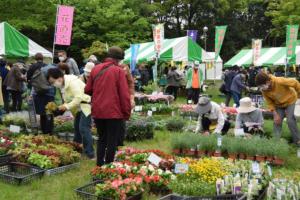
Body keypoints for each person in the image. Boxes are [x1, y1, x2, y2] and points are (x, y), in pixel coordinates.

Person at [85, 46, 131, 166]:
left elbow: (87, 89)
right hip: (114, 112)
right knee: (112, 140)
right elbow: (124, 95)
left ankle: (99, 165)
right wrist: (126, 113)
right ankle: (109, 166)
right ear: (118, 59)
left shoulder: (95, 69)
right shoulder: (119, 71)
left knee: (102, 139)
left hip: (98, 110)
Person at [47, 68, 95, 159]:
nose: (53, 84)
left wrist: (66, 107)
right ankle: (77, 149)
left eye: (53, 81)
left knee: (84, 128)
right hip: (77, 109)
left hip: (85, 106)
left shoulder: (73, 82)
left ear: (59, 78)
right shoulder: (63, 85)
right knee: (77, 128)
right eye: (51, 83)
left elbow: (78, 98)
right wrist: (61, 108)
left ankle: (90, 153)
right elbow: (68, 100)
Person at [255, 72, 300, 145]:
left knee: (290, 120)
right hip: (279, 104)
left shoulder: (279, 81)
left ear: (267, 81)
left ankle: (297, 141)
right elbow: (269, 102)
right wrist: (275, 114)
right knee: (277, 121)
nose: (262, 88)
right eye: (260, 86)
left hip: (290, 101)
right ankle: (276, 142)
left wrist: (299, 96)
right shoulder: (264, 90)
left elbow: (295, 83)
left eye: (262, 85)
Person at [27, 53, 56, 134]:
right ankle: (50, 132)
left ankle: (44, 131)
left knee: (42, 113)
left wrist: (31, 94)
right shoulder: (47, 67)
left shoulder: (32, 66)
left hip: (38, 92)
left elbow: (29, 79)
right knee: (49, 112)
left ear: (35, 58)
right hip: (49, 93)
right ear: (43, 58)